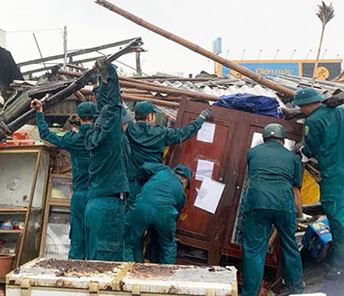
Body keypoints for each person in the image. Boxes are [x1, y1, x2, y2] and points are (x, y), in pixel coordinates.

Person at [293, 87, 344, 279]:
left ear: (308, 104)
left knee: (337, 217)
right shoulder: (341, 112)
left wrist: (301, 149)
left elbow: (311, 149)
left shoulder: (314, 121)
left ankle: (343, 263)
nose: (301, 111)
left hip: (334, 173)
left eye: (301, 107)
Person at [240, 123, 305, 296]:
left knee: (254, 251)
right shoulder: (292, 159)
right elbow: (295, 191)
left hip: (258, 202)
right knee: (289, 246)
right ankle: (297, 290)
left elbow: (254, 175)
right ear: (283, 140)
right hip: (284, 204)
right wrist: (299, 216)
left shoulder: (252, 153)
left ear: (265, 138)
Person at [31, 98, 96, 259]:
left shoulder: (71, 139)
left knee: (77, 241)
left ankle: (75, 277)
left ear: (78, 118)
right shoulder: (101, 139)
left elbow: (45, 134)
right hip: (99, 196)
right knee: (96, 243)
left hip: (80, 196)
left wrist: (39, 112)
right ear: (96, 117)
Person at [83, 59, 129, 261]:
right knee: (107, 268)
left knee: (93, 261)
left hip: (94, 206)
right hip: (109, 209)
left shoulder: (94, 138)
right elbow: (113, 106)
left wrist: (99, 84)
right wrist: (110, 73)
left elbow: (104, 110)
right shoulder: (111, 139)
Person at [126, 101, 212, 202]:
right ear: (150, 116)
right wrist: (201, 118)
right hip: (150, 183)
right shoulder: (161, 133)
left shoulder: (129, 129)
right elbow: (185, 132)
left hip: (130, 182)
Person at [123, 163, 191, 264]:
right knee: (168, 245)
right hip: (165, 214)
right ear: (185, 180)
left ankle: (130, 271)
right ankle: (166, 274)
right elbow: (176, 215)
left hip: (142, 207)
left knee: (127, 241)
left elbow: (144, 167)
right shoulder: (181, 193)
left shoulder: (163, 171)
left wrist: (142, 180)